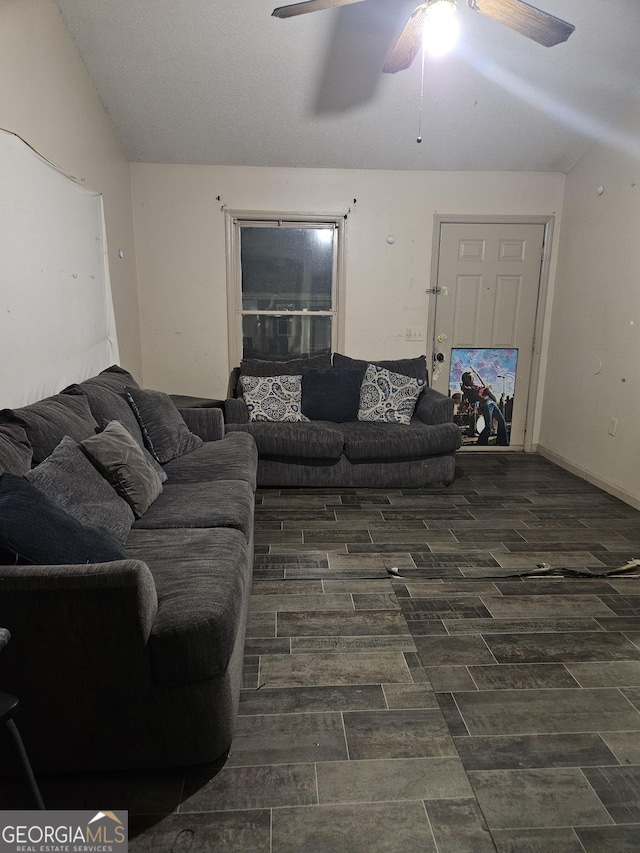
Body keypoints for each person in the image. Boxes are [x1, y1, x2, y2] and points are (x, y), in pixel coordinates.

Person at [460, 371, 509, 446]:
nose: (473, 379)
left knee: (501, 420)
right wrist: (485, 389)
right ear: (467, 380)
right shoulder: (468, 389)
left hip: (491, 402)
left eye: (473, 377)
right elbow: (475, 396)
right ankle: (481, 443)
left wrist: (486, 389)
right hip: (486, 405)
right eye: (471, 378)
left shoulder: (475, 387)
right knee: (488, 426)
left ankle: (503, 442)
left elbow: (491, 396)